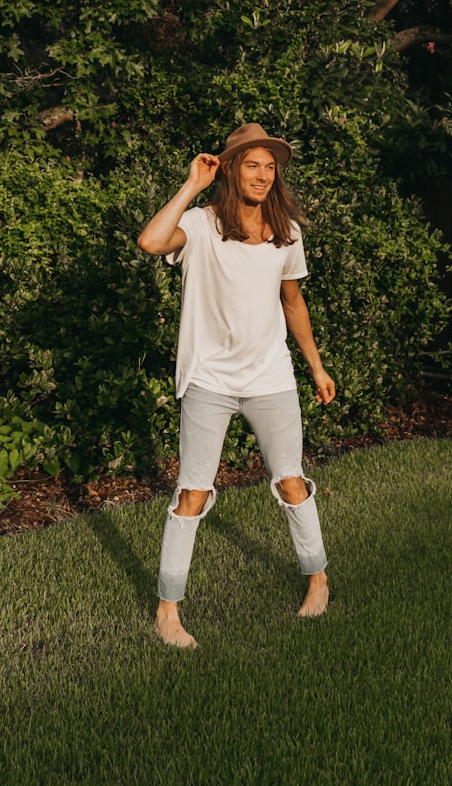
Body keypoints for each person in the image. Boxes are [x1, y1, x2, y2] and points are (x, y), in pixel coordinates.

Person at [137, 123, 336, 648]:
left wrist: (315, 367)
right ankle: (167, 611)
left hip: (271, 378)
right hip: (209, 380)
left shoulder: (286, 234)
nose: (264, 175)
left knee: (292, 484)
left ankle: (318, 581)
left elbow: (294, 303)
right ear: (230, 168)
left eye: (271, 166)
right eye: (252, 164)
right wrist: (190, 186)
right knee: (192, 495)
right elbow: (151, 241)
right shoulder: (200, 225)